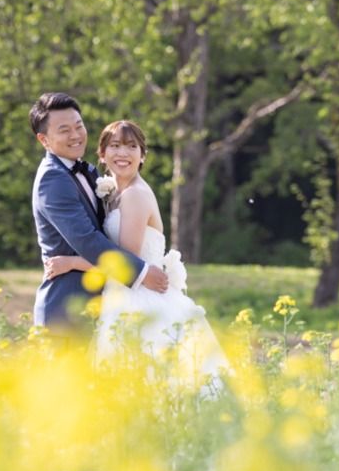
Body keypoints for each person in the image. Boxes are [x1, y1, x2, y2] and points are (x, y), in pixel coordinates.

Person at [45, 120, 226, 394]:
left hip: (141, 297)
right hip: (125, 295)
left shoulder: (135, 196)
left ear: (142, 155)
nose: (123, 153)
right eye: (115, 146)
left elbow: (124, 261)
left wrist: (70, 263)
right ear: (102, 154)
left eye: (132, 146)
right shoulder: (115, 192)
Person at [30, 93, 169, 328]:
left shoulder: (90, 172)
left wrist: (72, 262)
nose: (75, 135)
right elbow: (87, 240)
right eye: (64, 130)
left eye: (79, 126)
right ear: (44, 140)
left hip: (105, 306)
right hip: (67, 311)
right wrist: (143, 272)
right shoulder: (53, 179)